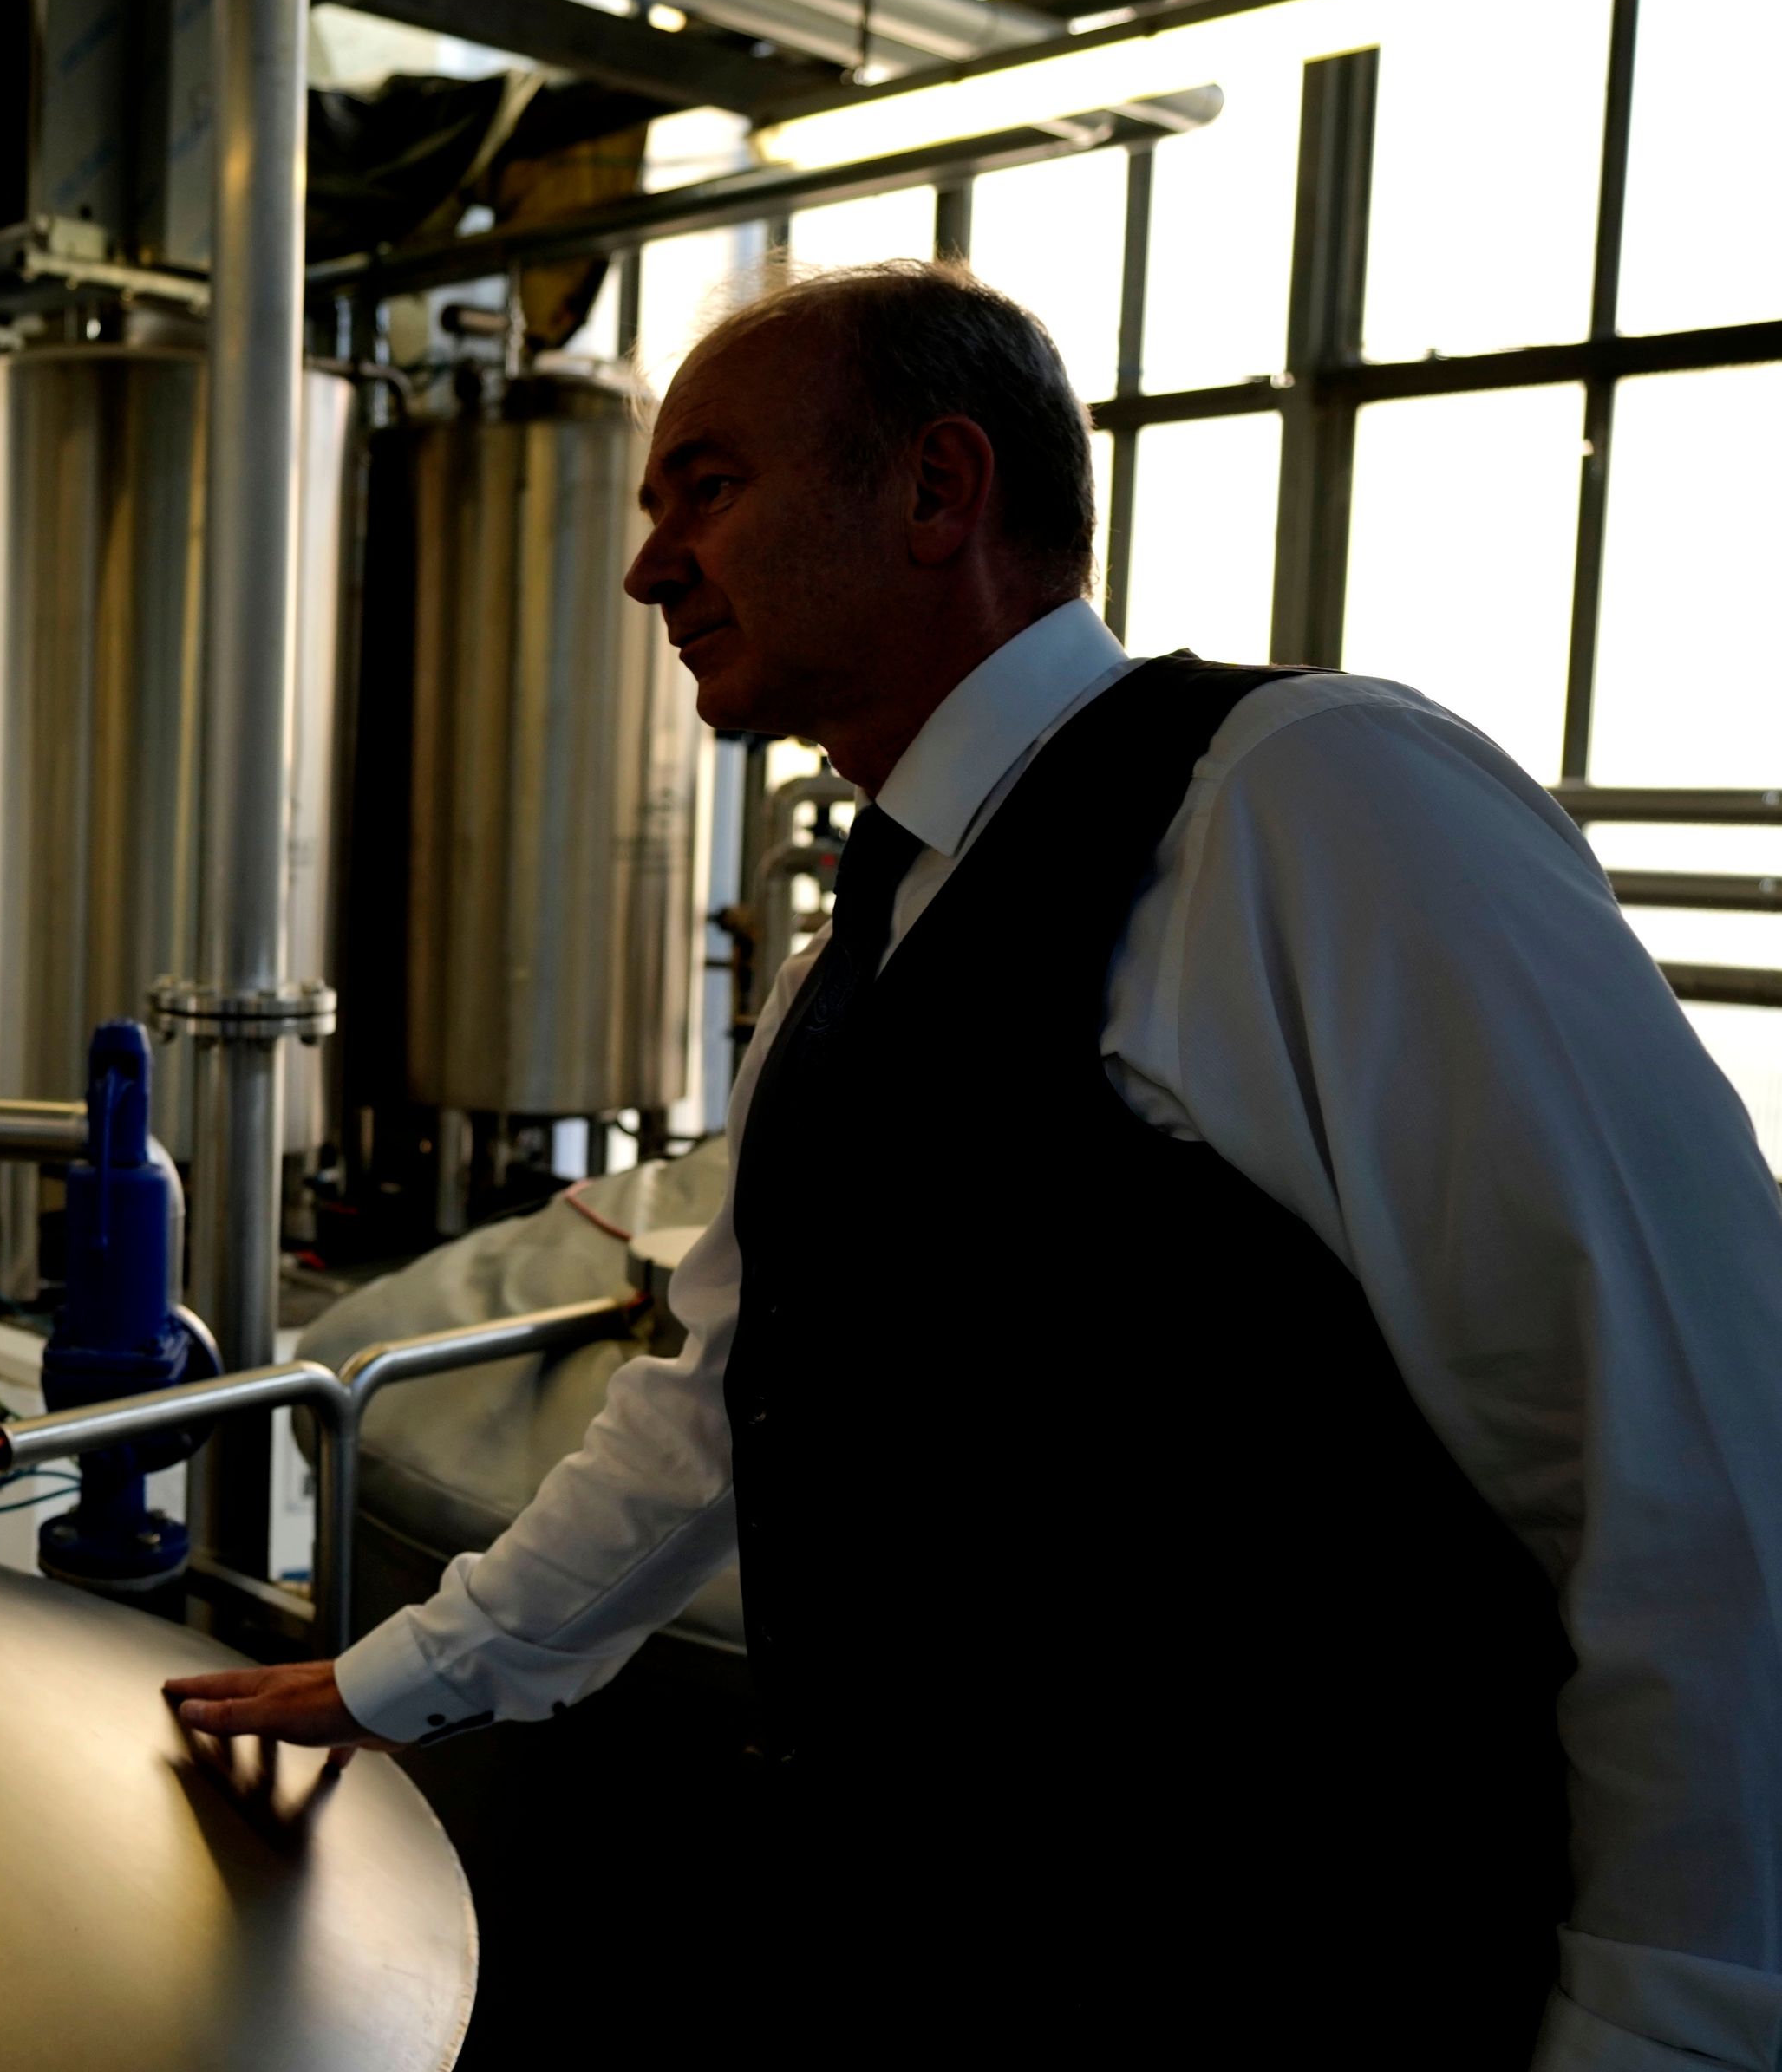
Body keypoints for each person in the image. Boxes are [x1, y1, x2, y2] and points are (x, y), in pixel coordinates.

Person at [163, 262, 1782, 2068]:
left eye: (707, 487)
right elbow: (714, 1407)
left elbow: (1692, 1436)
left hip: (1322, 1967)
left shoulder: (1310, 801)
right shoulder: (854, 947)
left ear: (939, 489)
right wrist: (409, 1672)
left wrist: (1672, 2010)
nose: (647, 567)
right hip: (965, 1956)